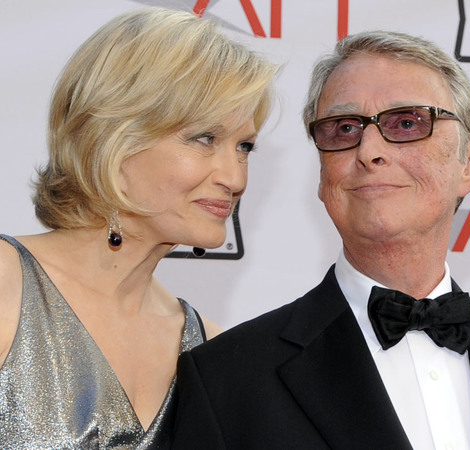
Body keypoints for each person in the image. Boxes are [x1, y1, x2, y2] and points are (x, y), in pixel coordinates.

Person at [173, 30, 470, 449]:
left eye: (408, 123)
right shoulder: (226, 379)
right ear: (323, 175)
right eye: (343, 128)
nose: (369, 149)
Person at [0, 7, 276, 449]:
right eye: (204, 138)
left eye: (243, 146)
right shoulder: (8, 286)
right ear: (114, 136)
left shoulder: (207, 346)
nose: (235, 177)